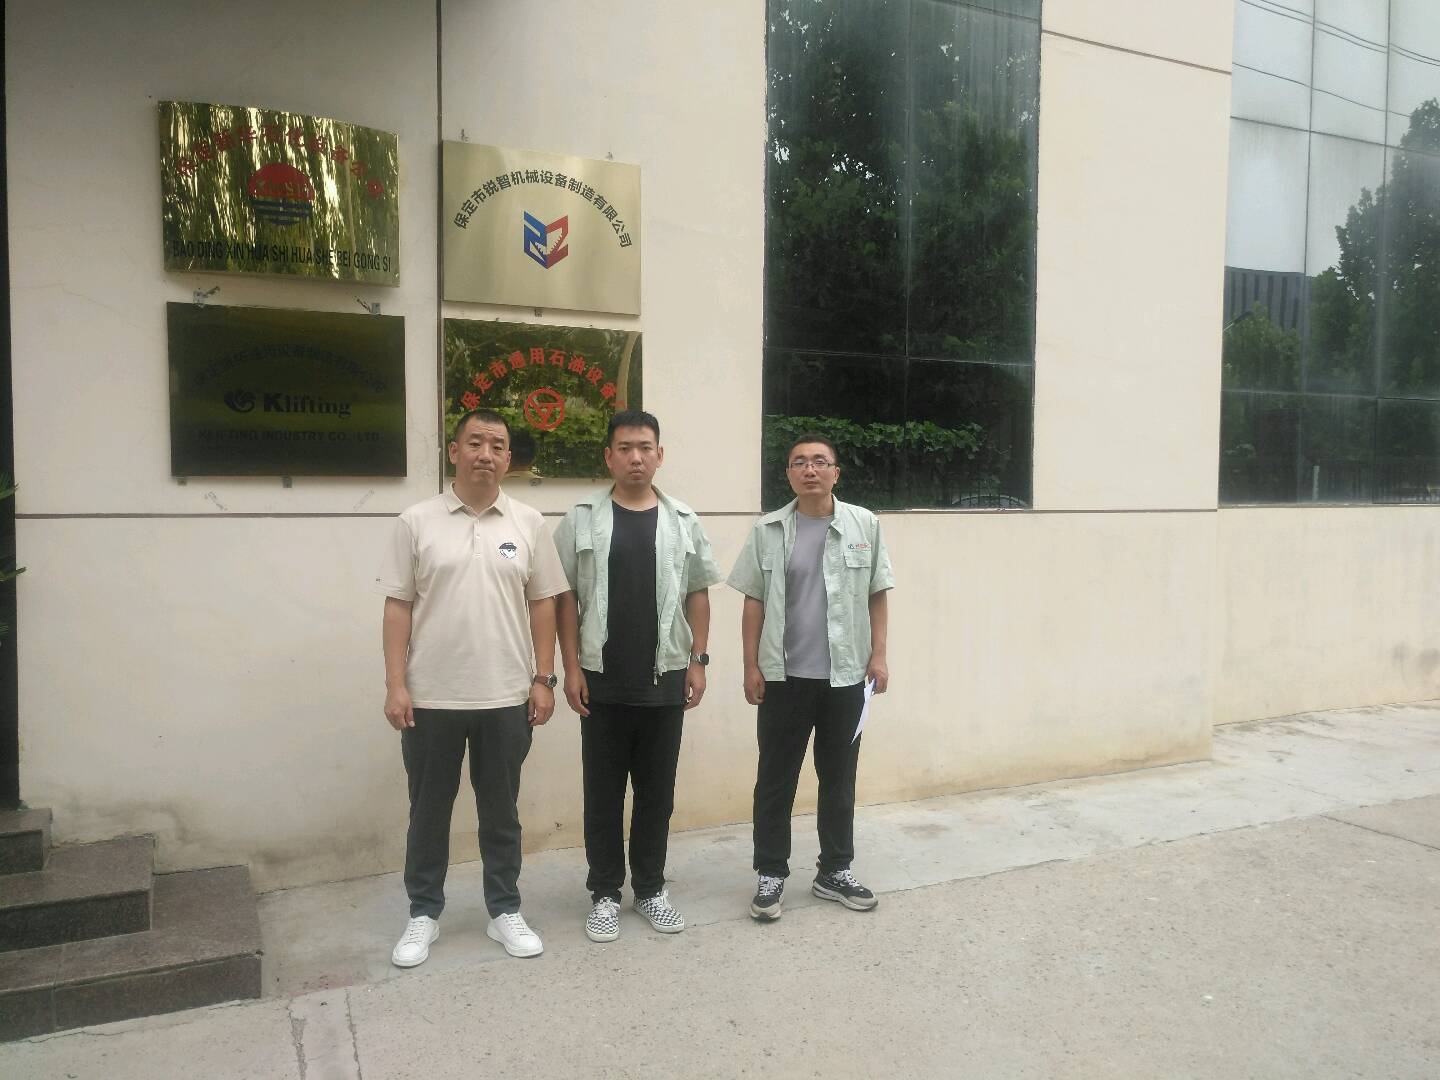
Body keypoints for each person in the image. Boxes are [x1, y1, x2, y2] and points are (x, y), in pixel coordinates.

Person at [376, 408, 568, 967]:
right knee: (428, 811)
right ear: (454, 451)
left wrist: (543, 678)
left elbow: (543, 604)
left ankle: (504, 909)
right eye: (476, 443)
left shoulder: (528, 523)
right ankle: (423, 913)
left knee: (501, 812)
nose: (486, 454)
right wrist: (395, 684)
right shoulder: (416, 522)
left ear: (509, 459)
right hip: (431, 697)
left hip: (506, 696)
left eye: (498, 446)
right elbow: (398, 606)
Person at [552, 410, 724, 942]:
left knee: (657, 794)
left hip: (665, 677)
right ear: (608, 456)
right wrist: (570, 667)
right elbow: (564, 597)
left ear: (659, 455)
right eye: (625, 448)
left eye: (645, 447)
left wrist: (698, 660)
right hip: (600, 679)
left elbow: (698, 593)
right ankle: (605, 893)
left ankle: (650, 888)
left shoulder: (683, 519)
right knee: (602, 795)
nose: (635, 457)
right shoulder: (581, 519)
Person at [727, 432, 894, 920]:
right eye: (799, 462)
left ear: (836, 473)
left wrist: (879, 656)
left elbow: (878, 593)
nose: (810, 469)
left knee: (839, 779)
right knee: (775, 780)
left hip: (846, 677)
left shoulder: (864, 524)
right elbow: (753, 600)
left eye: (820, 461)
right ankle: (770, 873)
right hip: (784, 678)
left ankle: (834, 870)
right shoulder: (768, 530)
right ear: (789, 474)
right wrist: (750, 665)